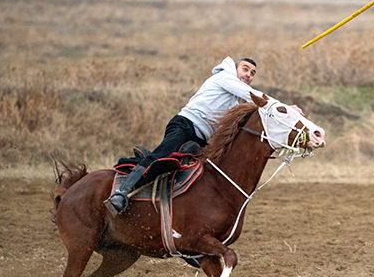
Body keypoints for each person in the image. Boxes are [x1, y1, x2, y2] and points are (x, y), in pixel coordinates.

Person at [106, 56, 261, 214]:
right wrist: (277, 107)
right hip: (185, 125)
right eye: (245, 69)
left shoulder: (234, 103)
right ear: (235, 69)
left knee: (202, 171)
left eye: (253, 73)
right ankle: (122, 193)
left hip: (201, 139)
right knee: (161, 157)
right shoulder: (225, 77)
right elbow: (252, 95)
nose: (249, 75)